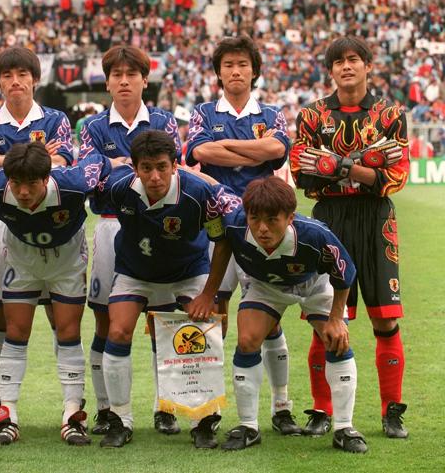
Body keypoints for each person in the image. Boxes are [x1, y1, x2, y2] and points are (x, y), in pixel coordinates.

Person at [290, 35, 409, 439]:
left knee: (385, 321)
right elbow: (303, 176)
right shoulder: (311, 115)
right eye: (338, 61)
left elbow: (394, 177)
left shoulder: (391, 114)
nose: (346, 66)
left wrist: (336, 165)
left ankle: (391, 410)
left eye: (353, 59)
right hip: (328, 219)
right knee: (322, 321)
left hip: (375, 220)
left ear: (368, 65)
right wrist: (360, 167)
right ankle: (323, 411)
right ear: (330, 70)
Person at [183, 36, 299, 436]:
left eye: (242, 64)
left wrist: (226, 145)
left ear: (253, 71)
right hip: (216, 226)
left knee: (267, 318)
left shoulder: (271, 111)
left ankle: (281, 405)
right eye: (228, 65)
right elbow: (200, 152)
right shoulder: (201, 111)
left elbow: (277, 147)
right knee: (213, 313)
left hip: (261, 228)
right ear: (219, 73)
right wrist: (255, 152)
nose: (235, 71)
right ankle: (208, 411)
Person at [94, 129, 233, 448]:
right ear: (135, 168)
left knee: (202, 332)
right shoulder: (118, 188)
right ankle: (120, 419)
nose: (154, 176)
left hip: (188, 271)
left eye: (161, 167)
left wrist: (208, 294)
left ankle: (203, 420)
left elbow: (222, 241)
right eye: (146, 168)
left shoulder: (198, 193)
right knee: (117, 333)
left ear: (175, 165)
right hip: (135, 271)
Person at [0, 142, 113, 446]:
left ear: (48, 177)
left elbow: (99, 161)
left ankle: (72, 413)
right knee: (16, 331)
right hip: (22, 261)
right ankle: (7, 414)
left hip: (66, 262)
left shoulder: (74, 186)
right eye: (17, 184)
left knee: (68, 331)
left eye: (32, 184)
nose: (23, 192)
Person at [214, 176, 366, 453]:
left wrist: (335, 319)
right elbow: (222, 246)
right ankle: (249, 425)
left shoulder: (315, 235)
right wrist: (212, 293)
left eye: (272, 220)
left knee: (336, 340)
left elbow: (346, 272)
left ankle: (344, 427)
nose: (262, 228)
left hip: (315, 284)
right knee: (247, 340)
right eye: (255, 218)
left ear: (290, 218)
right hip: (266, 285)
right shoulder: (234, 224)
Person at [77, 45, 183, 436]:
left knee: (163, 321)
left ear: (144, 80)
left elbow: (177, 171)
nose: (124, 81)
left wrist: (115, 168)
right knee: (106, 320)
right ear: (107, 82)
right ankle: (106, 408)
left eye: (132, 74)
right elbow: (89, 178)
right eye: (117, 75)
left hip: (160, 226)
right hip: (109, 224)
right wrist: (110, 166)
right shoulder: (92, 127)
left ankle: (165, 406)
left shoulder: (164, 122)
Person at [0, 46, 73, 425]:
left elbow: (64, 162)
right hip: (2, 221)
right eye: (8, 75)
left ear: (34, 79)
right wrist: (34, 155)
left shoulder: (56, 118)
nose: (16, 81)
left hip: (48, 221)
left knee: (58, 313)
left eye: (22, 75)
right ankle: (0, 401)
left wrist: (8, 161)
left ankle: (71, 405)